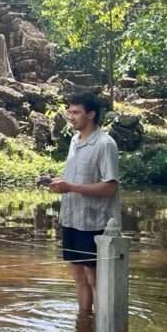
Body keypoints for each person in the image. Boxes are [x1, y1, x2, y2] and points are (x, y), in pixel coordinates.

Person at [48, 92, 120, 315]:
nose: (70, 116)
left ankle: (102, 329)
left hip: (93, 223)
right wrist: (58, 184)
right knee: (78, 276)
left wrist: (71, 188)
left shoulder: (105, 144)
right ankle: (83, 325)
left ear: (91, 114)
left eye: (76, 112)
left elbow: (111, 187)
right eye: (69, 111)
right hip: (71, 218)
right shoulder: (74, 141)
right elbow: (74, 180)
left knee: (94, 278)